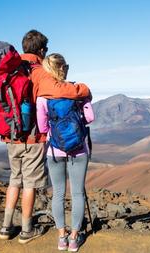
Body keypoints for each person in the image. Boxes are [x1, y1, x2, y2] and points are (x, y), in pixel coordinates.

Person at [0, 30, 91, 244]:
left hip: (11, 133)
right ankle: (26, 230)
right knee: (30, 183)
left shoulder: (10, 68)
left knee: (15, 179)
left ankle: (5, 227)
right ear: (41, 50)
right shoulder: (39, 71)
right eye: (45, 50)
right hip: (31, 136)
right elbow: (62, 90)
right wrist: (84, 88)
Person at [37, 53, 94, 252]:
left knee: (58, 194)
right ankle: (74, 238)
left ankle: (61, 237)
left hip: (55, 151)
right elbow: (90, 117)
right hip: (79, 151)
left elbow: (42, 128)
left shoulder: (43, 97)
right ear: (64, 68)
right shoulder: (78, 92)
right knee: (78, 193)